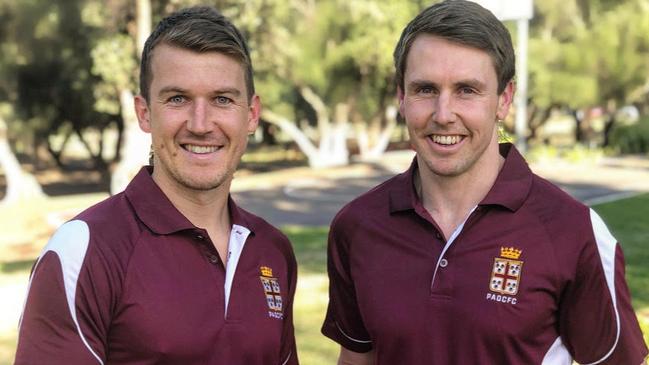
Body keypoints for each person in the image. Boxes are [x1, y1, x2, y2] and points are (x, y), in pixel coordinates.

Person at [321, 1, 648, 364]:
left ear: (503, 99)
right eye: (425, 89)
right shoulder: (358, 226)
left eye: (466, 90)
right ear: (401, 96)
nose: (443, 115)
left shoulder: (574, 232)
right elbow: (356, 358)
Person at [15, 6, 298, 365]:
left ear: (252, 114)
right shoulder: (84, 249)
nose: (200, 124)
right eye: (177, 98)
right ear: (145, 112)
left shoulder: (273, 250)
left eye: (222, 99)